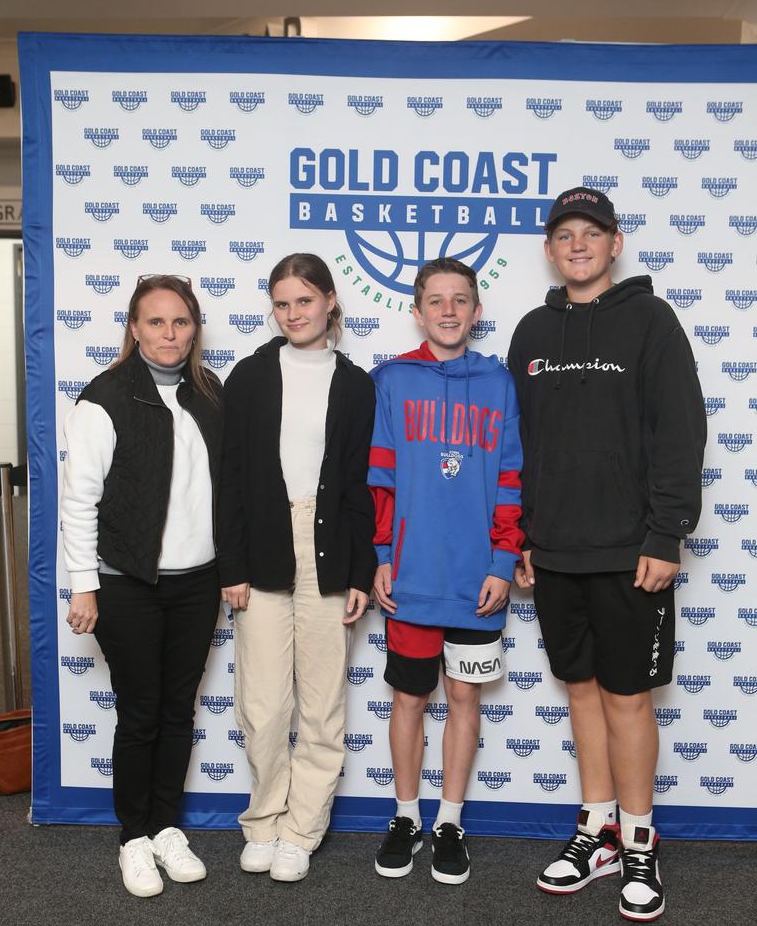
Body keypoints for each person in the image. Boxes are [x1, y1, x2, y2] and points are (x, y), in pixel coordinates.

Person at [507, 188, 706, 923]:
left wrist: (666, 535)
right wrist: (519, 536)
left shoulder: (651, 321)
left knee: (627, 698)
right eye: (566, 235)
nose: (579, 245)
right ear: (551, 250)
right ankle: (596, 832)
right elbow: (515, 447)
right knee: (581, 692)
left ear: (615, 244)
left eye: (593, 233)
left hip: (631, 554)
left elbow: (680, 431)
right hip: (555, 552)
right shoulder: (530, 332)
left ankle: (641, 840)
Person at [60, 274, 223, 898]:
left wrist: (229, 568)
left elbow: (227, 491)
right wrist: (83, 586)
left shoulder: (210, 393)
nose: (169, 334)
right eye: (155, 322)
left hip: (198, 581)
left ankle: (165, 828)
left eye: (180, 322)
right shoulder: (104, 397)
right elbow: (80, 501)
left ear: (194, 328)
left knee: (179, 709)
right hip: (126, 581)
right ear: (133, 328)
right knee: (141, 711)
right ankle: (133, 835)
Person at [218, 252, 376, 883]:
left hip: (330, 548)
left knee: (321, 706)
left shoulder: (358, 383)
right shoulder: (250, 376)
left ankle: (302, 829)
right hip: (260, 544)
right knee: (262, 705)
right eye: (281, 304)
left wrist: (362, 573)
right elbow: (228, 478)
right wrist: (231, 563)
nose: (293, 314)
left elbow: (366, 489)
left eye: (304, 301)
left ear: (330, 301)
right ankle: (263, 820)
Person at [368, 257, 523, 885]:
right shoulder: (393, 380)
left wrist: (504, 561)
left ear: (477, 311)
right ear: (418, 310)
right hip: (412, 575)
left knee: (463, 696)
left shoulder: (499, 383)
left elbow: (512, 479)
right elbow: (380, 477)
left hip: (477, 581)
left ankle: (450, 820)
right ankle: (406, 816)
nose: (449, 311)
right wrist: (382, 558)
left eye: (461, 300)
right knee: (408, 697)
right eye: (436, 301)